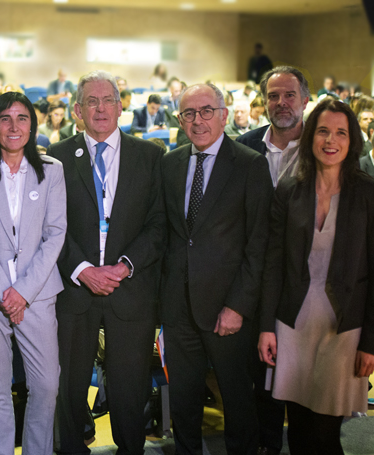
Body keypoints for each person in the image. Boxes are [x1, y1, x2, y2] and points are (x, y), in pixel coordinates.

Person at [48, 70, 164, 455]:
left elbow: (158, 224)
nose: (100, 109)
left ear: (120, 106)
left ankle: (131, 449)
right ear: (77, 110)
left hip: (129, 288)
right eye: (91, 102)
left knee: (130, 387)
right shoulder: (57, 158)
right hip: (74, 291)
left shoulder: (150, 156)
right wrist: (83, 270)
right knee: (70, 386)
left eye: (108, 100)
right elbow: (50, 225)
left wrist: (124, 266)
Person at [160, 83, 273, 455]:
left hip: (228, 308)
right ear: (180, 120)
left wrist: (238, 306)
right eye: (189, 113)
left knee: (237, 399)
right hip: (179, 308)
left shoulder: (250, 164)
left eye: (206, 111)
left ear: (224, 116)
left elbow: (259, 244)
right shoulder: (170, 163)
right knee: (184, 399)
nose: (198, 120)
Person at [258, 99, 374, 455]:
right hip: (293, 322)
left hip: (344, 327)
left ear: (352, 140)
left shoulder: (368, 192)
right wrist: (266, 326)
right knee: (298, 430)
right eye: (323, 131)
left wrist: (371, 341)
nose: (330, 140)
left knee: (325, 434)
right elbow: (273, 263)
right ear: (311, 137)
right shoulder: (290, 188)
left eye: (341, 132)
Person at [0, 91, 67, 455]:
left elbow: (56, 233)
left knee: (46, 385)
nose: (14, 126)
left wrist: (22, 292)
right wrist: (4, 293)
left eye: (22, 118)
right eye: (5, 118)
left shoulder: (51, 170)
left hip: (37, 292)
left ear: (32, 126)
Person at [236, 65, 310, 455]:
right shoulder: (244, 146)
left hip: (305, 280)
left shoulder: (322, 146)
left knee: (302, 378)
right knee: (261, 371)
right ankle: (266, 444)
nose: (281, 103)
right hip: (253, 275)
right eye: (273, 96)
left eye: (289, 95)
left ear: (305, 100)